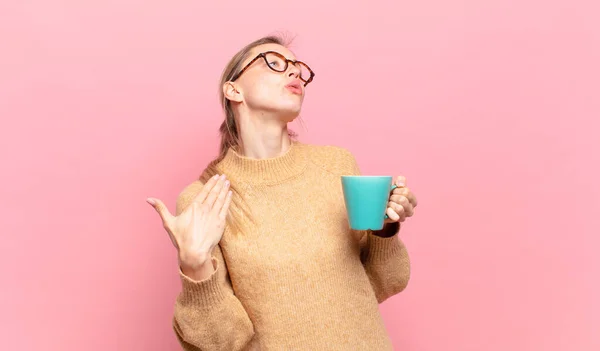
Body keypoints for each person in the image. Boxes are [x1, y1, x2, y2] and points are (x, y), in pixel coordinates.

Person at [146, 35, 418, 350]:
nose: (293, 73)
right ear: (234, 90)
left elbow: (382, 283)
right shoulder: (206, 199)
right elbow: (221, 341)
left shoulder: (336, 164)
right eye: (275, 63)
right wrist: (194, 263)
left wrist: (385, 228)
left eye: (298, 69)